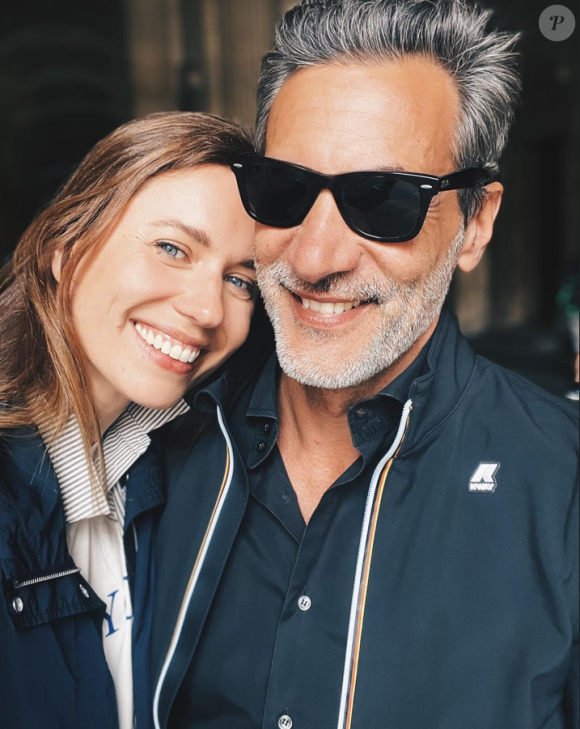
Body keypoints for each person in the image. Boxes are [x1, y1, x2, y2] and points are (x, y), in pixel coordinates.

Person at [152, 2, 579, 728]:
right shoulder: (151, 445)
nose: (315, 259)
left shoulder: (562, 484)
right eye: (284, 191)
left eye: (382, 201)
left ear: (476, 222)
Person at [0, 112, 258, 729]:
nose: (205, 308)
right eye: (172, 248)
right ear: (65, 251)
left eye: (240, 280)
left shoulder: (153, 477)